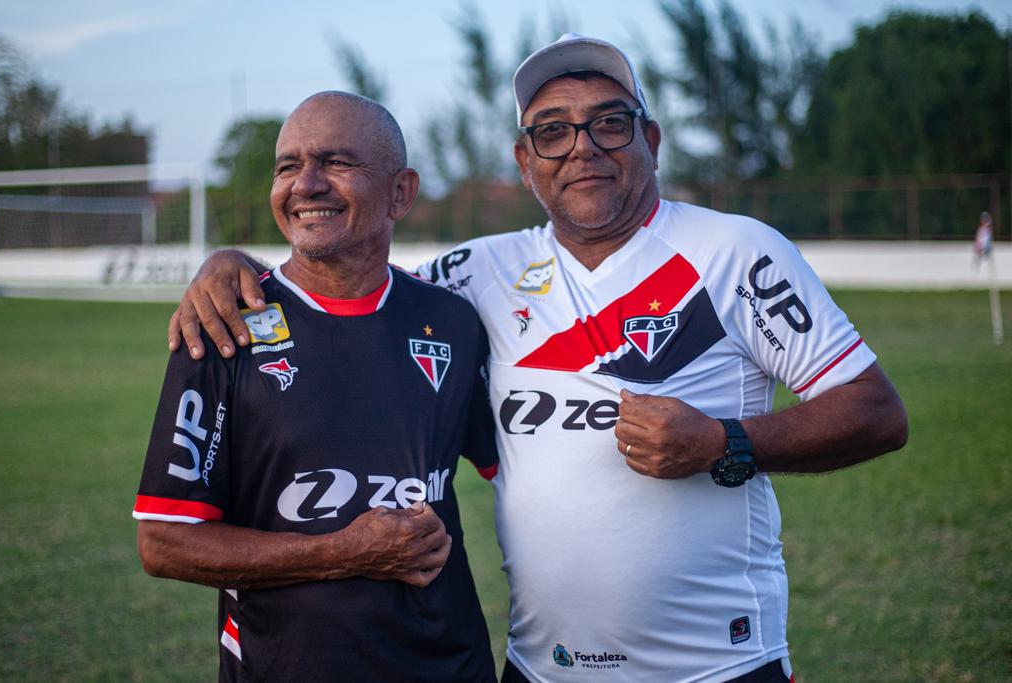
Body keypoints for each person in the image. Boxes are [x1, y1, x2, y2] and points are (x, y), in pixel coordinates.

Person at [168, 34, 908, 683]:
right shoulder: (476, 274)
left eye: (608, 124)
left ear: (650, 142)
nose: (581, 146)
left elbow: (875, 412)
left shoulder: (737, 251)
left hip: (716, 665)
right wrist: (233, 267)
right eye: (552, 132)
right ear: (526, 162)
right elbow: (350, 275)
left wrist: (724, 441)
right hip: (538, 668)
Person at [134, 91, 499, 682]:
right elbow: (165, 541)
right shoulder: (224, 326)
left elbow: (521, 468)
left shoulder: (454, 321)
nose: (306, 184)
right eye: (287, 166)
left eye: (337, 162)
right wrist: (345, 553)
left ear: (400, 192)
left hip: (452, 664)